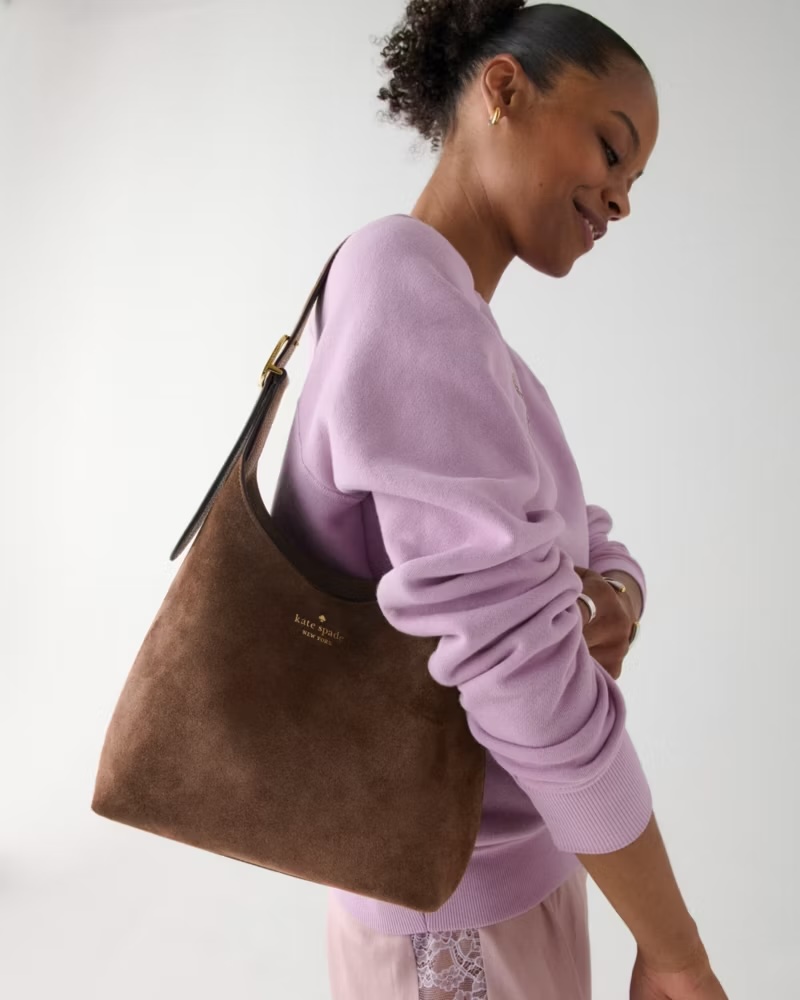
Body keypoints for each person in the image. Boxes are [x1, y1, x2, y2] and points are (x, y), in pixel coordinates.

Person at [269, 2, 730, 998]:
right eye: (612, 149)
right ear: (505, 91)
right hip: (454, 916)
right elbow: (526, 676)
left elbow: (573, 538)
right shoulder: (403, 291)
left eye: (634, 181)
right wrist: (675, 947)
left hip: (507, 879)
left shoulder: (465, 335)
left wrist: (613, 593)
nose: (620, 199)